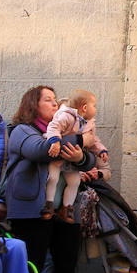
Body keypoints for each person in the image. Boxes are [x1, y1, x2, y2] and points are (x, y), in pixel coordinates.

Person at [4, 85, 97, 273]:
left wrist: (81, 154)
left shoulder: (71, 127)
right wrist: (81, 140)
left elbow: (90, 160)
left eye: (56, 100)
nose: (55, 104)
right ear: (33, 104)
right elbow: (41, 149)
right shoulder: (22, 131)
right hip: (31, 210)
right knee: (29, 262)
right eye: (48, 100)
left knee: (67, 265)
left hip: (65, 210)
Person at [43, 89, 108, 223]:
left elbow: (93, 140)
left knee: (74, 182)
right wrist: (55, 141)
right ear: (84, 108)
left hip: (72, 160)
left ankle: (67, 208)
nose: (95, 109)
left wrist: (101, 150)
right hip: (58, 156)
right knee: (52, 177)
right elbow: (53, 127)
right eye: (94, 106)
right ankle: (48, 204)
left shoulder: (90, 124)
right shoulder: (65, 116)